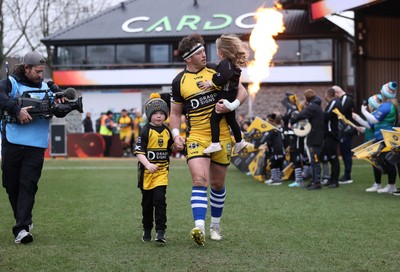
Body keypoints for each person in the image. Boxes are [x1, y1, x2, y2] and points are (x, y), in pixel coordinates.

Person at [169, 33, 248, 246]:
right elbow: (175, 113)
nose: (205, 54)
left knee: (217, 184)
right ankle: (199, 227)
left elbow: (242, 91)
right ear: (188, 58)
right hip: (196, 137)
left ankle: (215, 226)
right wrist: (176, 135)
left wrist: (232, 106)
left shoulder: (217, 68)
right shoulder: (179, 81)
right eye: (200, 52)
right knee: (199, 180)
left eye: (204, 50)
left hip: (222, 137)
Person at [0, 51, 59, 244]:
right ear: (26, 68)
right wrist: (16, 109)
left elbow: (57, 110)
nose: (40, 75)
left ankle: (21, 229)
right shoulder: (11, 82)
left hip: (36, 145)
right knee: (11, 185)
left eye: (42, 71)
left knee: (28, 185)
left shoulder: (46, 87)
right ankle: (24, 218)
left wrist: (62, 103)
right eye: (37, 71)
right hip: (12, 142)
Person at [198, 34, 249, 155]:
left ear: (221, 51)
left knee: (214, 119)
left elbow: (221, 78)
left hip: (225, 97)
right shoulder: (232, 64)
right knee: (231, 120)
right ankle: (239, 141)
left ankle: (215, 143)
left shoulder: (225, 64)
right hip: (231, 96)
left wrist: (211, 82)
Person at [134, 93, 173, 244]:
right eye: (155, 113)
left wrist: (178, 143)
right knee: (147, 203)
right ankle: (147, 229)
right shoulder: (145, 130)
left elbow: (170, 148)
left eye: (162, 113)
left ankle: (161, 232)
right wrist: (148, 164)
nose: (158, 116)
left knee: (160, 201)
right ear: (149, 115)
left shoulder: (167, 131)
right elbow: (139, 152)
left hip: (161, 173)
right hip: (146, 173)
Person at [358, 82, 398, 194]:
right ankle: (390, 185)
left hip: (385, 137)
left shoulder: (386, 105)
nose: (380, 92)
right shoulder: (390, 104)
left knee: (388, 161)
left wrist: (363, 111)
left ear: (385, 92)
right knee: (385, 161)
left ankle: (391, 186)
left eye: (381, 90)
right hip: (386, 137)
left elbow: (374, 120)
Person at [290, 89, 324, 190]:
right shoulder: (317, 106)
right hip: (317, 137)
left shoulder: (312, 107)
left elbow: (299, 116)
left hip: (314, 138)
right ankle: (314, 180)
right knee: (314, 160)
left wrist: (293, 118)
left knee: (315, 160)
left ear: (306, 98)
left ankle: (316, 182)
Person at [352, 94, 383, 192]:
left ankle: (381, 184)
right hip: (374, 140)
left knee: (378, 163)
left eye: (369, 103)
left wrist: (357, 118)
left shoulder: (376, 113)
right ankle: (378, 184)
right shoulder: (375, 113)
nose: (367, 105)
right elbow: (370, 127)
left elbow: (370, 126)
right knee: (376, 162)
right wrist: (363, 129)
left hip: (376, 140)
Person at [281, 93, 306, 187]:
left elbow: (298, 126)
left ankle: (300, 180)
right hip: (294, 138)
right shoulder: (295, 112)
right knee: (296, 158)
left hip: (297, 139)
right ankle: (299, 179)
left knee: (298, 158)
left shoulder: (297, 113)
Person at [333, 86, 356, 184]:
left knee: (346, 153)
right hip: (344, 129)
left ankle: (347, 176)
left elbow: (341, 113)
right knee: (344, 152)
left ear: (337, 92)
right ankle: (346, 175)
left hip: (346, 129)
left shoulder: (346, 99)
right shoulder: (345, 98)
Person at [321, 88, 341, 188]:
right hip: (328, 134)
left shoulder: (334, 102)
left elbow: (326, 116)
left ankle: (335, 181)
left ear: (328, 94)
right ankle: (332, 179)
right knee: (330, 157)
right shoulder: (332, 103)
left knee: (333, 158)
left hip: (331, 134)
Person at [263, 113, 285, 186]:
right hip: (279, 150)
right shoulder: (276, 130)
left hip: (275, 150)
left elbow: (269, 141)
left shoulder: (271, 131)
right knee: (277, 164)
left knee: (273, 164)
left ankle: (276, 180)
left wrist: (266, 143)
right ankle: (276, 178)